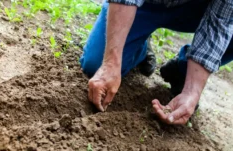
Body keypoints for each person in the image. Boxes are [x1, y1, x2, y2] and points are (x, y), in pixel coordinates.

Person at [80, 0, 233, 125]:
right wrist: (110, 63)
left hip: (194, 10)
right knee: (96, 64)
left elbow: (221, 23)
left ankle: (183, 71)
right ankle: (140, 47)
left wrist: (192, 92)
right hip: (144, 5)